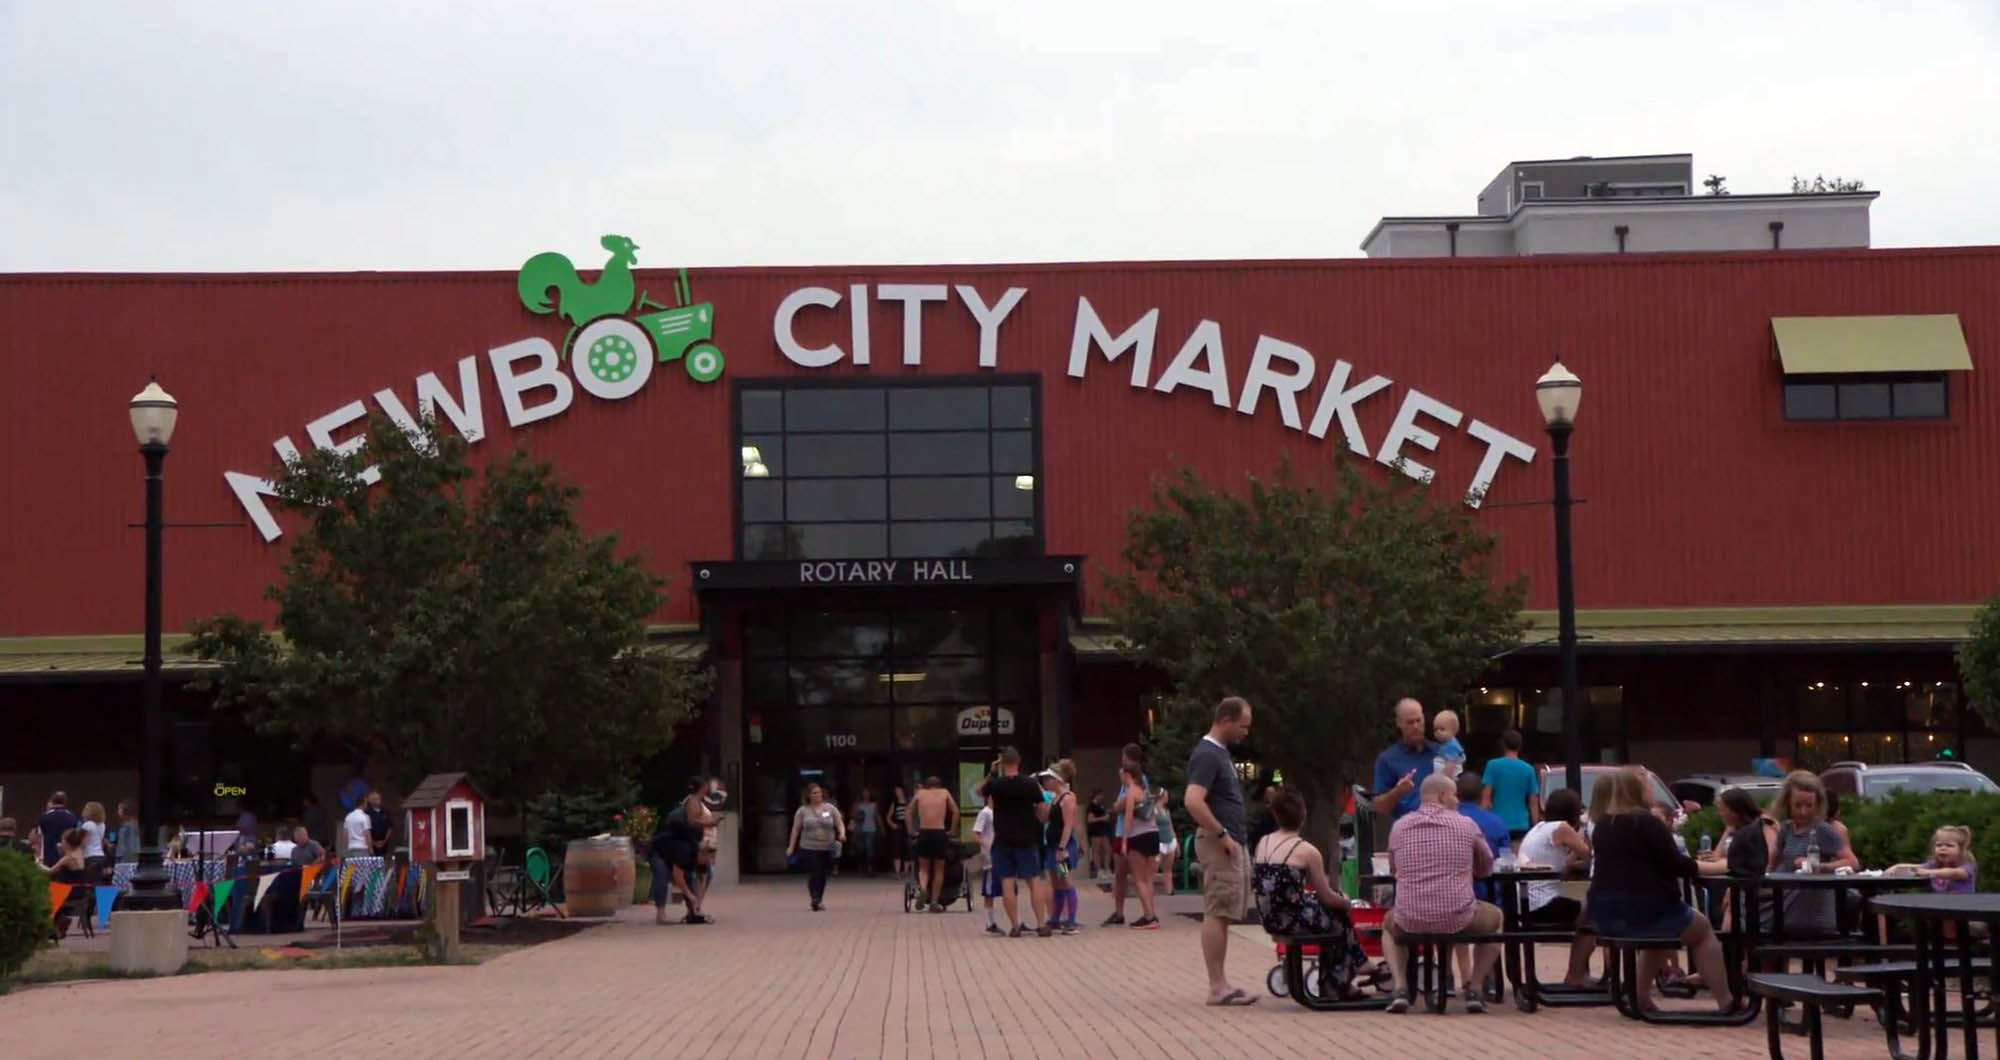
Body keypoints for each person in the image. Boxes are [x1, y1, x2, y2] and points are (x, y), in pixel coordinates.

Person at [1585, 767, 1735, 1014]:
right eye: (1647, 786)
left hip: (1604, 911)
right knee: (1701, 930)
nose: (1651, 791)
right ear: (1638, 791)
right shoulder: (1647, 823)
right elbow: (1677, 865)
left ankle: (1640, 996)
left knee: (1663, 935)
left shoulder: (1603, 824)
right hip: (1646, 909)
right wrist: (1719, 866)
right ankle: (1726, 1000)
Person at [1380, 774, 1503, 1014]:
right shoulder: (1466, 824)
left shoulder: (1399, 826)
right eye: (1454, 795)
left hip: (1410, 918)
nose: (1457, 800)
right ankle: (1475, 987)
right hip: (1459, 916)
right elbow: (1486, 865)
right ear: (1443, 795)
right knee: (1496, 918)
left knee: (1388, 924)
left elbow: (1394, 869)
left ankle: (1401, 987)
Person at [1253, 786, 1370, 999]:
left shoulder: (1263, 842)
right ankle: (1342, 977)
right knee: (1338, 914)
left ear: (1276, 815)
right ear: (1303, 815)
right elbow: (1326, 895)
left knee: (1328, 912)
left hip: (1270, 917)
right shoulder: (1306, 850)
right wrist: (1346, 902)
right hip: (1291, 919)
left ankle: (1348, 973)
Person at [1186, 696, 1256, 1006]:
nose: (1245, 733)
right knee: (1217, 910)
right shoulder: (1208, 755)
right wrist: (1222, 834)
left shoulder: (1218, 754)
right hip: (1220, 844)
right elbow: (1193, 800)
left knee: (1225, 912)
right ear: (1226, 720)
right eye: (1242, 726)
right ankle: (1217, 986)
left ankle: (1222, 982)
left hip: (1228, 842)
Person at [1516, 787, 1598, 988]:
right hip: (1542, 903)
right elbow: (1591, 856)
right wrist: (1588, 834)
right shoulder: (1562, 827)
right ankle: (1576, 974)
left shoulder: (1540, 827)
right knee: (1594, 914)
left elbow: (1566, 863)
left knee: (1587, 909)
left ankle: (1577, 972)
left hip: (1525, 902)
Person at [1767, 770, 1855, 937]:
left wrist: (1820, 867)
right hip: (1783, 899)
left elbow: (1852, 862)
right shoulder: (1786, 828)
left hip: (1809, 908)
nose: (1803, 812)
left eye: (1809, 806)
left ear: (1818, 804)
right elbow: (1772, 863)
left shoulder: (1822, 830)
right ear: (1787, 803)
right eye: (1798, 806)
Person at [982, 746, 1053, 937]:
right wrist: (1038, 819)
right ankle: (1041, 924)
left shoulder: (996, 784)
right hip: (1026, 838)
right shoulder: (1029, 784)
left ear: (1003, 763)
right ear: (1019, 762)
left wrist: (992, 771)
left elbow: (981, 790)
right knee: (1034, 881)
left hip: (1003, 840)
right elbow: (1043, 809)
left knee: (1007, 881)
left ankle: (1015, 925)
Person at [1453, 772, 1511, 991]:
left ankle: (1463, 971)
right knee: (1490, 917)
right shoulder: (1496, 822)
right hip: (1487, 892)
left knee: (1453, 915)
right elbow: (1503, 858)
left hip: (1454, 895)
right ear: (1482, 795)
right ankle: (1486, 974)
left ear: (1456, 794)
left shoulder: (1449, 821)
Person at [1372, 699, 1439, 825]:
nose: (1415, 726)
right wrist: (1397, 792)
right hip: (1408, 832)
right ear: (1399, 723)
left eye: (1419, 720)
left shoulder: (1440, 753)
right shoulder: (1387, 759)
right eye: (1410, 722)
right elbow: (1380, 807)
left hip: (1442, 829)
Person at [1102, 742, 1145, 926]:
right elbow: (1119, 803)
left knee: (1136, 874)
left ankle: (1147, 912)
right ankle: (1119, 911)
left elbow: (1122, 804)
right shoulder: (1126, 782)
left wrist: (1118, 805)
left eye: (1123, 756)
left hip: (1130, 832)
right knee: (1119, 874)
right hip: (1121, 831)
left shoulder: (1138, 782)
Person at [1117, 761, 1162, 929]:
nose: (1120, 778)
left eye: (1121, 774)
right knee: (1148, 878)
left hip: (1138, 836)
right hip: (1153, 833)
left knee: (1139, 879)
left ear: (1128, 775)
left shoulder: (1131, 793)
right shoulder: (1145, 792)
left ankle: (1149, 917)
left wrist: (1124, 841)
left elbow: (1128, 818)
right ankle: (1150, 913)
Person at [787, 781, 845, 911]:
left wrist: (842, 834)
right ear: (809, 795)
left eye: (819, 792)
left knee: (822, 874)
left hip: (827, 846)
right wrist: (791, 846)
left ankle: (818, 899)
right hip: (809, 846)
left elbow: (839, 823)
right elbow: (795, 830)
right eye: (814, 793)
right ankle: (815, 898)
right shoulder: (802, 811)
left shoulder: (830, 808)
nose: (817, 795)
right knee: (815, 871)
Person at [1039, 762, 1082, 934]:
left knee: (1064, 879)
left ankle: (1071, 920)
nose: (1045, 782)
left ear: (1056, 779)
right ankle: (1055, 918)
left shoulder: (1068, 798)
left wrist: (1062, 849)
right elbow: (1045, 818)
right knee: (1055, 882)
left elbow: (1068, 825)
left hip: (1061, 847)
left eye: (1048, 779)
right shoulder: (1055, 798)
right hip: (1051, 846)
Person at [1479, 729, 1540, 842]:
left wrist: (1482, 822)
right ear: (1520, 746)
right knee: (1518, 857)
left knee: (1499, 857)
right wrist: (1536, 827)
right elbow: (1533, 802)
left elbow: (1486, 797)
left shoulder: (1492, 765)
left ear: (1503, 744)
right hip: (1521, 824)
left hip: (1497, 823)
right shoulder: (1528, 769)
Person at [909, 776, 959, 913]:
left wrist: (911, 831)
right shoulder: (945, 793)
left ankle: (924, 889)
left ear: (926, 786)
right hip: (939, 833)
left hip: (924, 833)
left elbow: (908, 811)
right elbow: (956, 811)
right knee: (939, 870)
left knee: (923, 868)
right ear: (939, 785)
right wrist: (952, 831)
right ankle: (934, 902)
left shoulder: (920, 794)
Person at [972, 792, 1002, 935]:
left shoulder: (1001, 812)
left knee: (1008, 887)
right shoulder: (985, 813)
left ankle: (1017, 921)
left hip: (1002, 855)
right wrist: (988, 845)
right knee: (989, 891)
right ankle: (990, 922)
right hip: (989, 858)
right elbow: (976, 833)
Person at [32, 791, 78, 866]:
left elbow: (37, 837)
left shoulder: (44, 817)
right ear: (65, 802)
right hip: (66, 858)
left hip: (48, 857)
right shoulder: (72, 818)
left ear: (52, 801)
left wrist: (38, 855)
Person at [1154, 787, 1178, 897]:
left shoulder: (1166, 811)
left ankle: (1169, 891)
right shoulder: (1154, 810)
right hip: (1159, 842)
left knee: (1168, 868)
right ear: (1161, 796)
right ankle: (1150, 890)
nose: (1168, 798)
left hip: (1169, 840)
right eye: (1166, 795)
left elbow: (1171, 826)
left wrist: (1176, 842)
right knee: (1154, 867)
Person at [852, 788, 881, 877]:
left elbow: (877, 816)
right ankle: (861, 866)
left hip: (871, 829)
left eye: (867, 793)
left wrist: (882, 827)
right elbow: (852, 816)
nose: (866, 795)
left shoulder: (874, 805)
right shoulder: (857, 804)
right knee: (861, 849)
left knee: (870, 849)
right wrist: (857, 814)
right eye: (864, 793)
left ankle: (870, 868)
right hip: (859, 829)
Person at [1432, 709, 1467, 780]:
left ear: (1454, 730)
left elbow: (1450, 765)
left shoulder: (1451, 746)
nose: (1438, 732)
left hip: (1448, 777)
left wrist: (1444, 779)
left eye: (1442, 729)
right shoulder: (1446, 744)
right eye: (1435, 729)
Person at [1085, 791, 1112, 879]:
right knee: (1096, 850)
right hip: (1095, 831)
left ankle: (1107, 869)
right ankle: (1099, 870)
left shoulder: (1101, 806)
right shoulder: (1091, 806)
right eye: (1100, 795)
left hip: (1104, 830)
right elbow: (1090, 820)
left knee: (1108, 849)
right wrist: (1102, 818)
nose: (1102, 797)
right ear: (1096, 796)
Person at [888, 785, 910, 877]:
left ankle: (905, 871)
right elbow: (888, 817)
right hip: (898, 826)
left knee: (907, 848)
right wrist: (892, 824)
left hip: (907, 826)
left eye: (899, 791)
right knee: (897, 848)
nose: (898, 793)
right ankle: (897, 872)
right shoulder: (894, 803)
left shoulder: (909, 802)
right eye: (896, 791)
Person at [112, 800, 141, 865]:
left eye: (119, 809)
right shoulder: (126, 825)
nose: (118, 811)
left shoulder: (130, 826)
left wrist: (127, 860)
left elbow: (131, 845)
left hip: (126, 859)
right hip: (123, 857)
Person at [365, 791, 393, 855]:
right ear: (371, 801)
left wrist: (385, 841)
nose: (378, 800)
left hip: (384, 845)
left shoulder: (386, 812)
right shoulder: (367, 813)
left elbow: (390, 827)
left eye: (379, 798)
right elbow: (366, 831)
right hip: (371, 846)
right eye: (375, 799)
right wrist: (373, 842)